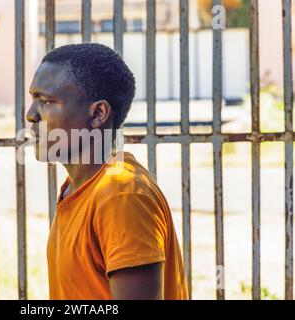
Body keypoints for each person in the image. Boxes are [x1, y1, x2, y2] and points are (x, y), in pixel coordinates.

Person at [26, 43, 188, 300]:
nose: (30, 115)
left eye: (45, 101)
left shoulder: (121, 195)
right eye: (33, 99)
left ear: (98, 113)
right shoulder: (76, 188)